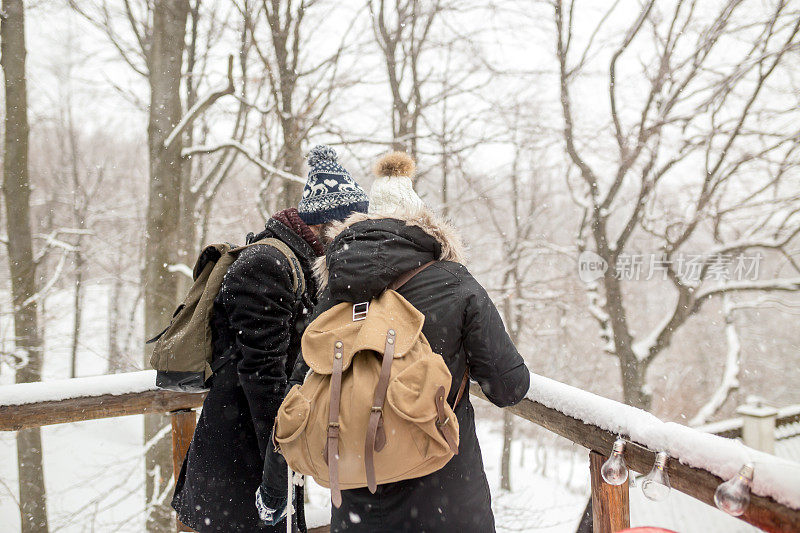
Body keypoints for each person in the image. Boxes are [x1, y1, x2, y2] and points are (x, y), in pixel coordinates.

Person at [258, 152, 530, 532]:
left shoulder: (336, 291)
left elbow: (300, 391)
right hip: (446, 496)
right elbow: (508, 387)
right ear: (424, 224)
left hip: (358, 497)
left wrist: (273, 488)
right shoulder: (456, 283)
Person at [171, 145, 369, 532]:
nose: (351, 240)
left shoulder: (297, 261)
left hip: (264, 448)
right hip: (241, 454)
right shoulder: (267, 264)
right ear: (326, 223)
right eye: (348, 229)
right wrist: (277, 467)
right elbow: (262, 377)